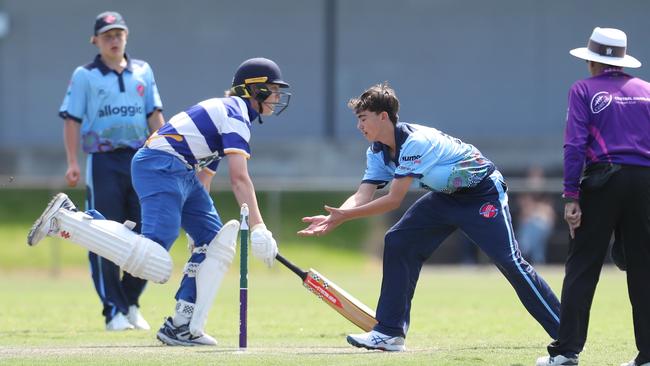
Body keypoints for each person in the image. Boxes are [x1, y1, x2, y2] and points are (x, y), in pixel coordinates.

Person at [29, 57, 288, 346]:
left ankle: (181, 325)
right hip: (160, 164)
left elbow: (204, 178)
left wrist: (196, 231)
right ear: (255, 90)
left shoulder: (230, 113)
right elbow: (239, 179)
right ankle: (68, 218)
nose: (277, 97)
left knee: (213, 242)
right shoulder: (235, 115)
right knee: (155, 257)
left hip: (180, 170)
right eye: (273, 90)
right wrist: (259, 228)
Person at [298, 82, 561, 351]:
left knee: (510, 262)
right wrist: (336, 215)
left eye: (363, 119)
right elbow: (363, 195)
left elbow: (393, 200)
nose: (359, 126)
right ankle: (390, 333)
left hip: (482, 193)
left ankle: (565, 331)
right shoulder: (377, 151)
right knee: (399, 242)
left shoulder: (414, 142)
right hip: (446, 196)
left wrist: (346, 216)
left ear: (383, 116)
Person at [536, 27, 650, 366]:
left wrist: (571, 195)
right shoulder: (647, 90)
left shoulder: (583, 89)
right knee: (644, 268)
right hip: (645, 182)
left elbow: (574, 144)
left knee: (583, 266)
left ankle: (566, 352)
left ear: (592, 61)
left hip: (603, 181)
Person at [58, 11, 164, 331]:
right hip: (103, 161)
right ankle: (113, 310)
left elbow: (155, 116)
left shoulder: (143, 71)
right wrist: (73, 162)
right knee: (103, 235)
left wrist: (165, 154)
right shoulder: (85, 75)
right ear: (96, 41)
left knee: (146, 232)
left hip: (141, 159)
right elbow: (72, 119)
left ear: (126, 37)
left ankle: (130, 302)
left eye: (118, 34)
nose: (114, 40)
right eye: (107, 36)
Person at [516, 167, 555, 264]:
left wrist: (535, 209)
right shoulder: (525, 192)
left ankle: (525, 251)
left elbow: (549, 214)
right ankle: (538, 261)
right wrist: (539, 209)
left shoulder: (547, 192)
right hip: (527, 225)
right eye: (533, 177)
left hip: (543, 226)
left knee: (538, 225)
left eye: (538, 177)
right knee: (531, 225)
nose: (535, 180)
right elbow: (525, 213)